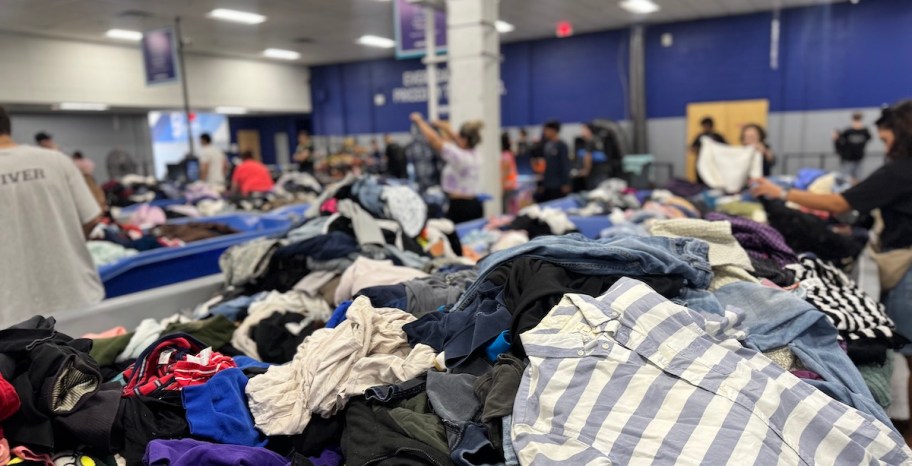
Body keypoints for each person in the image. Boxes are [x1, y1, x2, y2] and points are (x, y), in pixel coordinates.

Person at [751, 100, 912, 382]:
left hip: (906, 267)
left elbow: (839, 203)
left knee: (909, 354)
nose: (886, 149)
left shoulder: (900, 171)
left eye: (887, 140)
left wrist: (782, 193)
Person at [0, 106, 104, 324]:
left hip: (10, 316)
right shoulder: (56, 160)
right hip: (76, 298)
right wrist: (65, 242)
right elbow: (92, 217)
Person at [410, 112, 483, 223]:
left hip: (460, 208)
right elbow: (457, 138)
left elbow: (434, 140)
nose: (455, 138)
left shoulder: (459, 157)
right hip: (474, 204)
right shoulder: (475, 154)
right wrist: (442, 126)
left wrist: (419, 121)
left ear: (465, 140)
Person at [535, 120, 571, 202]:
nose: (545, 132)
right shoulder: (547, 145)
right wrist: (542, 183)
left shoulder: (562, 145)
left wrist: (566, 183)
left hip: (558, 185)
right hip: (548, 184)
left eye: (547, 130)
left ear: (553, 130)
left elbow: (565, 164)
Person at [834, 112, 872, 180]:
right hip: (848, 159)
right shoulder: (848, 131)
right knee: (846, 178)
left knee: (858, 178)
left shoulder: (864, 131)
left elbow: (869, 138)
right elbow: (839, 141)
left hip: (859, 158)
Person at [578, 123, 613, 190]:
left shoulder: (590, 141)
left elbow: (588, 157)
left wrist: (586, 170)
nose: (581, 132)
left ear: (589, 130)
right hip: (602, 171)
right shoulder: (598, 139)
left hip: (595, 173)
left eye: (584, 130)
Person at [501, 132, 519, 215]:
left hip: (508, 186)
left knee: (507, 210)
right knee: (512, 208)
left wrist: (501, 186)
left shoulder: (505, 155)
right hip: (512, 184)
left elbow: (505, 172)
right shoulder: (509, 154)